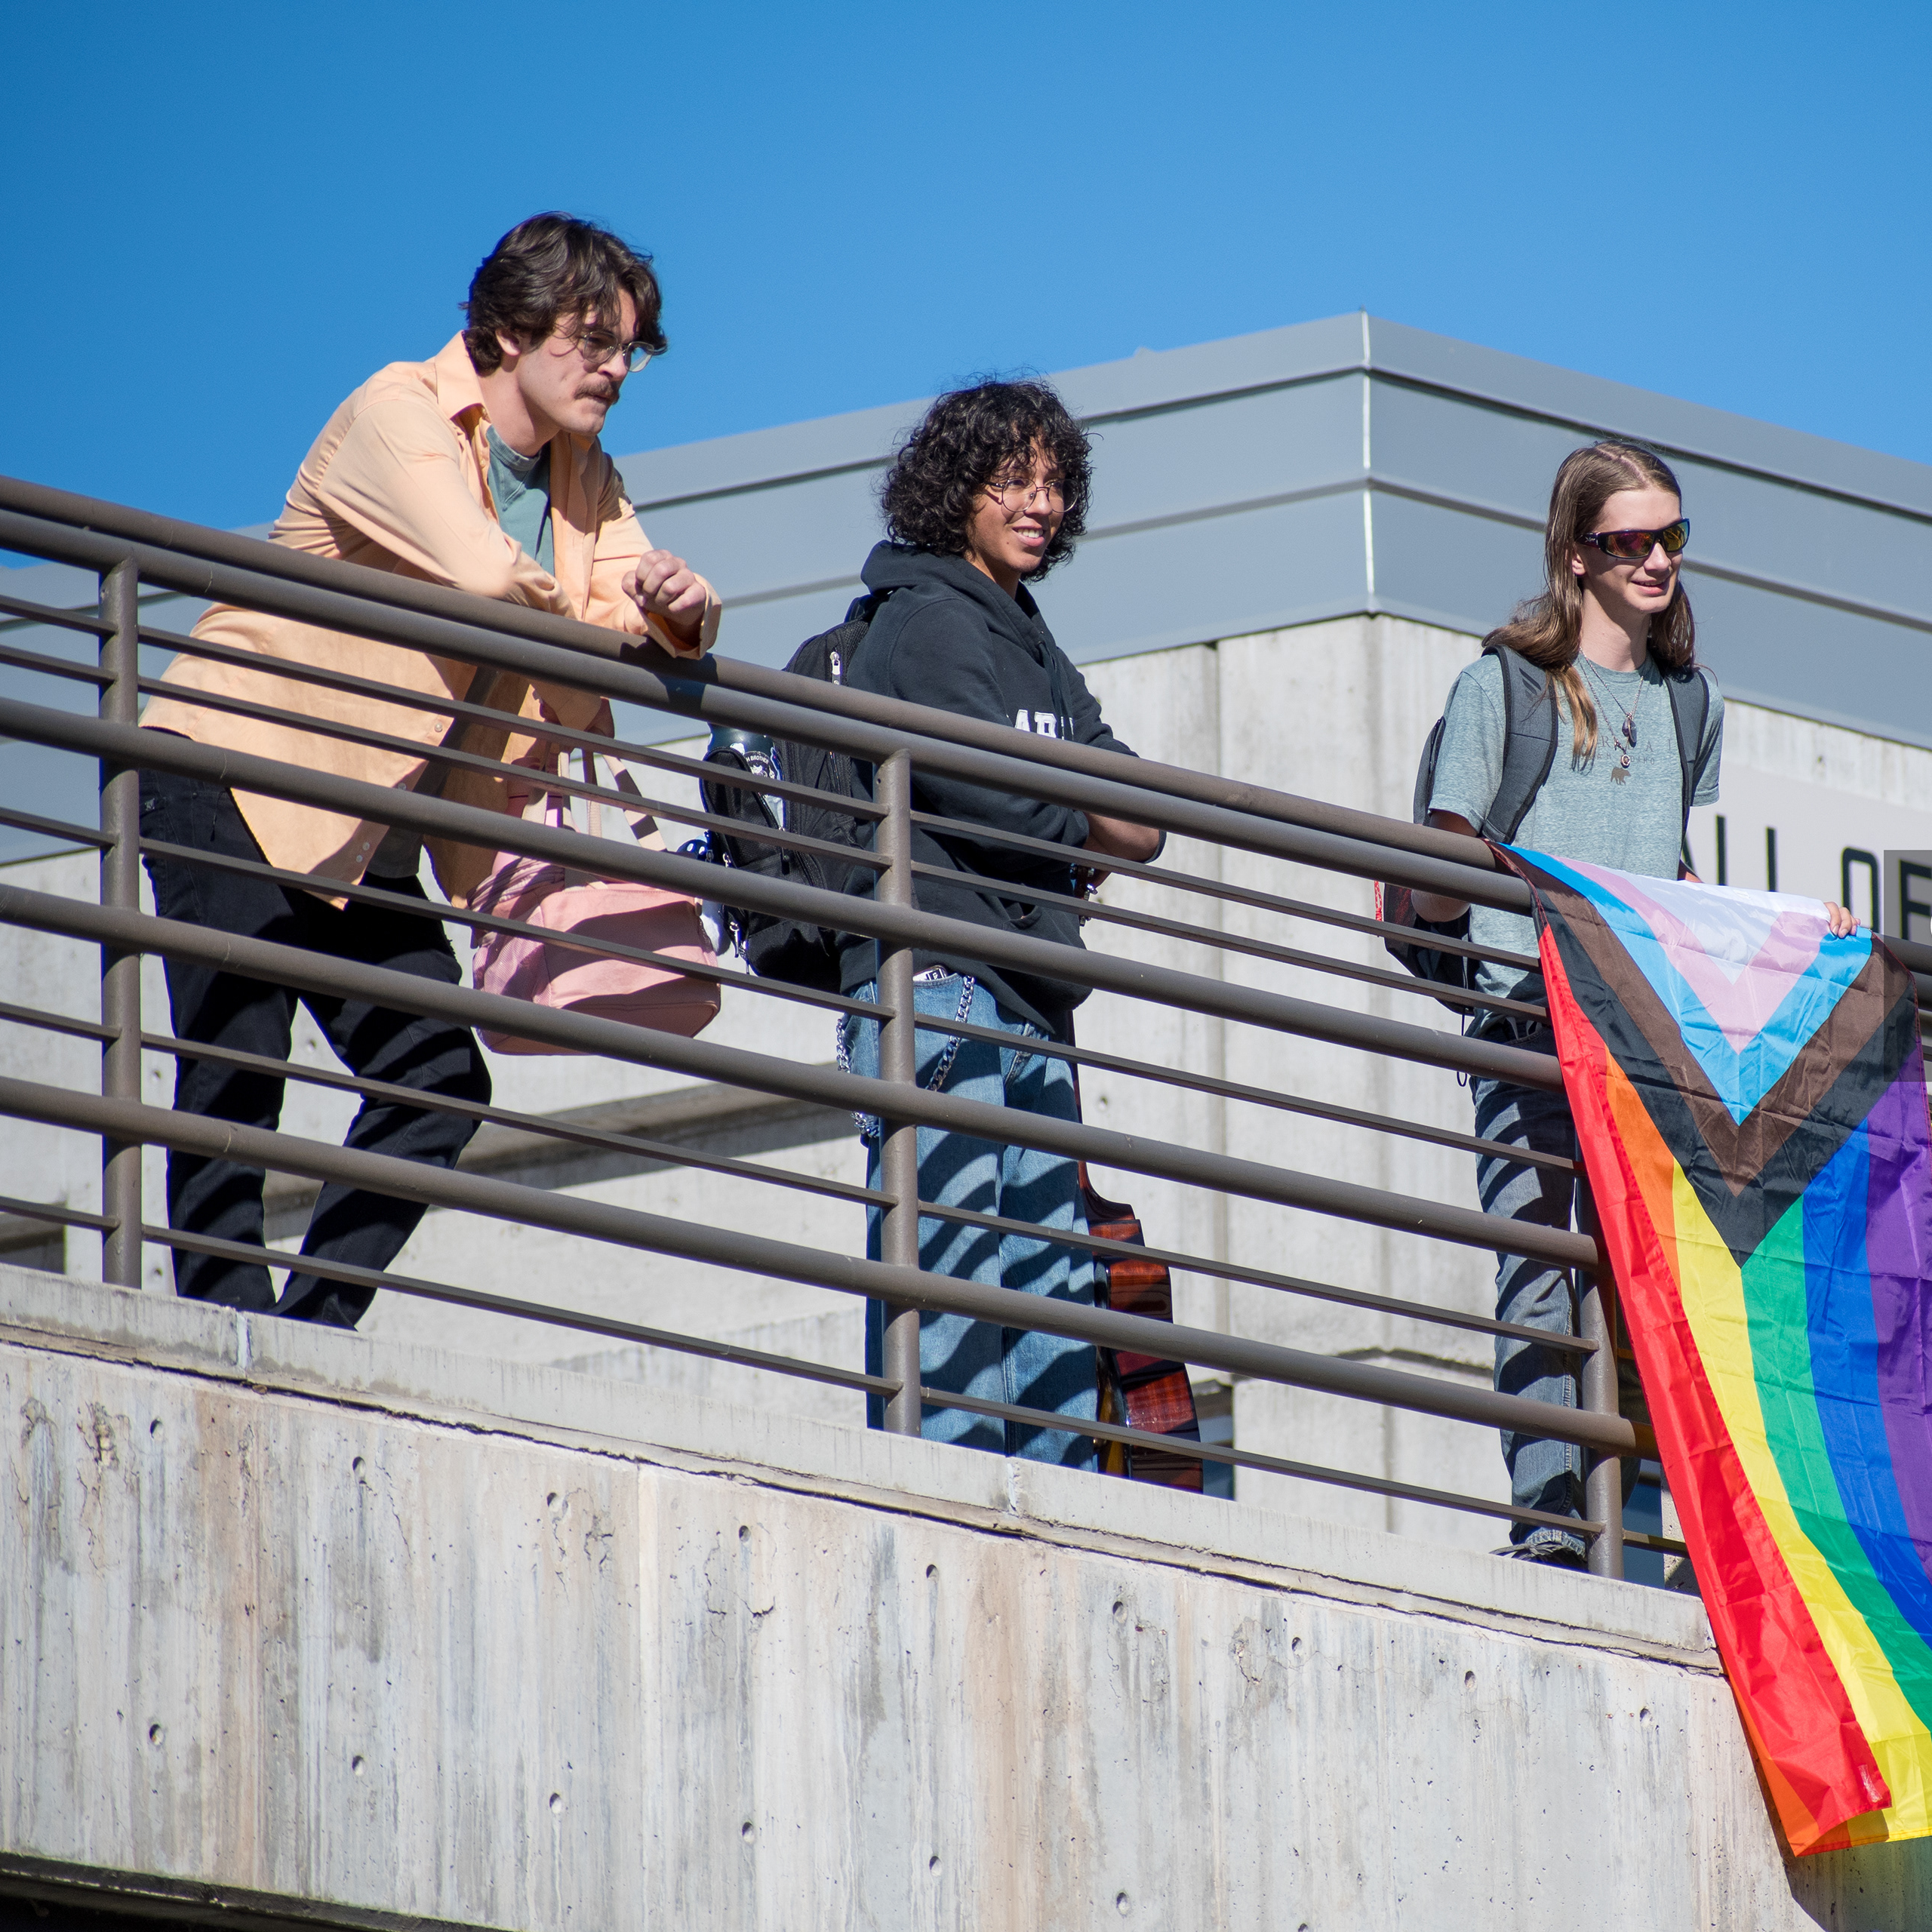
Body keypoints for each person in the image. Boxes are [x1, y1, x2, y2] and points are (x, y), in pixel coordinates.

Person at [135, 213, 718, 1324]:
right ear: (506, 331)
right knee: (238, 1064)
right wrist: (609, 619)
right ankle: (223, 1333)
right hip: (239, 763)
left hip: (365, 824)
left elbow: (645, 613)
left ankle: (305, 1341)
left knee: (435, 1083)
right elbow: (485, 582)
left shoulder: (583, 475)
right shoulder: (395, 409)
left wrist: (682, 614)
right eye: (591, 342)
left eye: (629, 350)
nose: (614, 371)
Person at [1411, 441, 1856, 1565]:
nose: (1657, 559)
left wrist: (1793, 932)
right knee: (1540, 1267)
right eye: (1630, 541)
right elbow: (1447, 843)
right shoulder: (1503, 683)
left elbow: (1670, 876)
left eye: (1673, 536)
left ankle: (1644, 1537)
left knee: (1647, 1281)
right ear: (1577, 554)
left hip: (1642, 1033)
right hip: (1528, 1012)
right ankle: (1556, 1527)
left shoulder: (1689, 703)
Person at [837, 379, 1163, 1460]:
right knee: (958, 1299)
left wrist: (1063, 811)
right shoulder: (927, 621)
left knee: (1055, 1314)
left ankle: (1058, 1539)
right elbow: (1000, 797)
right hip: (938, 981)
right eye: (1013, 479)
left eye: (1056, 481)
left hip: (1029, 993)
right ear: (954, 490)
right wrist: (1076, 819)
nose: (1043, 503)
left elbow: (1145, 815)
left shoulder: (1025, 632)